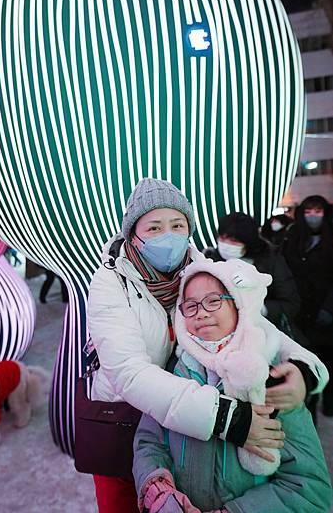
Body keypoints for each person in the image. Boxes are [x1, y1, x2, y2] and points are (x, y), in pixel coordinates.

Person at [87, 179, 328, 513]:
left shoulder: (199, 270)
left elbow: (252, 322)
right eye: (154, 227)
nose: (167, 235)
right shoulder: (109, 284)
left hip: (191, 413)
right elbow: (129, 373)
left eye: (177, 225)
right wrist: (228, 419)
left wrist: (303, 368)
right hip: (129, 417)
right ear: (133, 235)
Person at [133, 257, 332, 513]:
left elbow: (310, 490)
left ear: (238, 306)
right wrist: (158, 492)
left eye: (214, 301)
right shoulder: (175, 372)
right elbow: (149, 441)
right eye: (190, 306)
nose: (201, 312)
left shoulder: (272, 381)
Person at [203, 212, 300, 338]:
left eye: (233, 241)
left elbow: (292, 303)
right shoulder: (210, 261)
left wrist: (262, 309)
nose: (226, 245)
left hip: (264, 333)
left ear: (248, 242)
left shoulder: (271, 262)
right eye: (222, 238)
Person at [282, 195, 333, 420]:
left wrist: (329, 308)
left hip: (326, 315)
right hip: (300, 314)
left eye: (318, 211)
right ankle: (308, 407)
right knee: (306, 362)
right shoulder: (294, 236)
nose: (313, 216)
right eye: (308, 211)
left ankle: (329, 403)